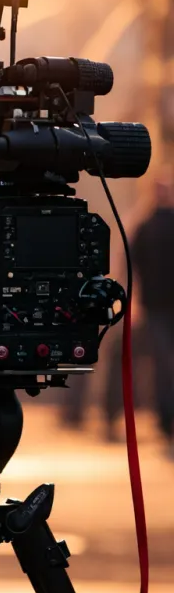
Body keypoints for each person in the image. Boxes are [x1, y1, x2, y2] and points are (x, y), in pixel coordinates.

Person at [132, 174, 174, 455]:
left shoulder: (143, 225)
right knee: (164, 368)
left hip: (156, 307)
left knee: (164, 367)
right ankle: (166, 423)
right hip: (157, 308)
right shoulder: (145, 226)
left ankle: (166, 423)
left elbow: (133, 268)